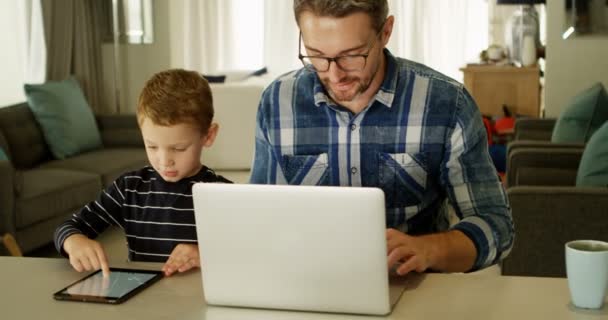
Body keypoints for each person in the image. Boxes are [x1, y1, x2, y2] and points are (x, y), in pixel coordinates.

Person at [250, 0, 514, 275]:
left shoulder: (447, 104)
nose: (334, 74)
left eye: (351, 55)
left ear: (385, 32)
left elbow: (496, 225)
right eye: (316, 54)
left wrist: (429, 250)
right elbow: (261, 217)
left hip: (413, 288)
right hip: (307, 284)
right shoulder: (277, 102)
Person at [54, 69, 231, 277]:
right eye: (152, 146)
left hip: (199, 301)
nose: (165, 161)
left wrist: (205, 254)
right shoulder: (128, 188)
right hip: (141, 301)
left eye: (179, 148)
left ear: (208, 136)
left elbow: (250, 251)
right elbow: (69, 226)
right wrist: (73, 241)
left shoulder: (224, 196)